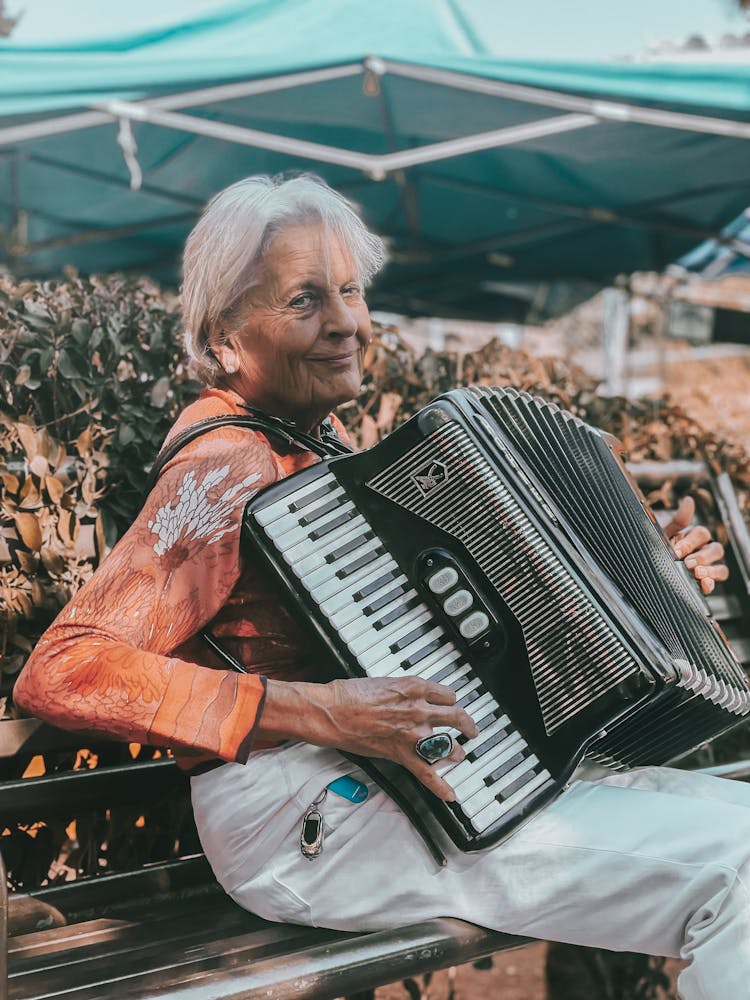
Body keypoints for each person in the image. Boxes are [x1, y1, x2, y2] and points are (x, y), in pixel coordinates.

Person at [14, 174, 745, 1000]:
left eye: (352, 292)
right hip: (309, 821)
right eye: (305, 301)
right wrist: (319, 710)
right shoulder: (228, 464)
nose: (348, 324)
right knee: (734, 870)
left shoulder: (312, 443)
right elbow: (66, 667)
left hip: (392, 787)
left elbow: (464, 627)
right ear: (225, 336)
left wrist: (643, 583)